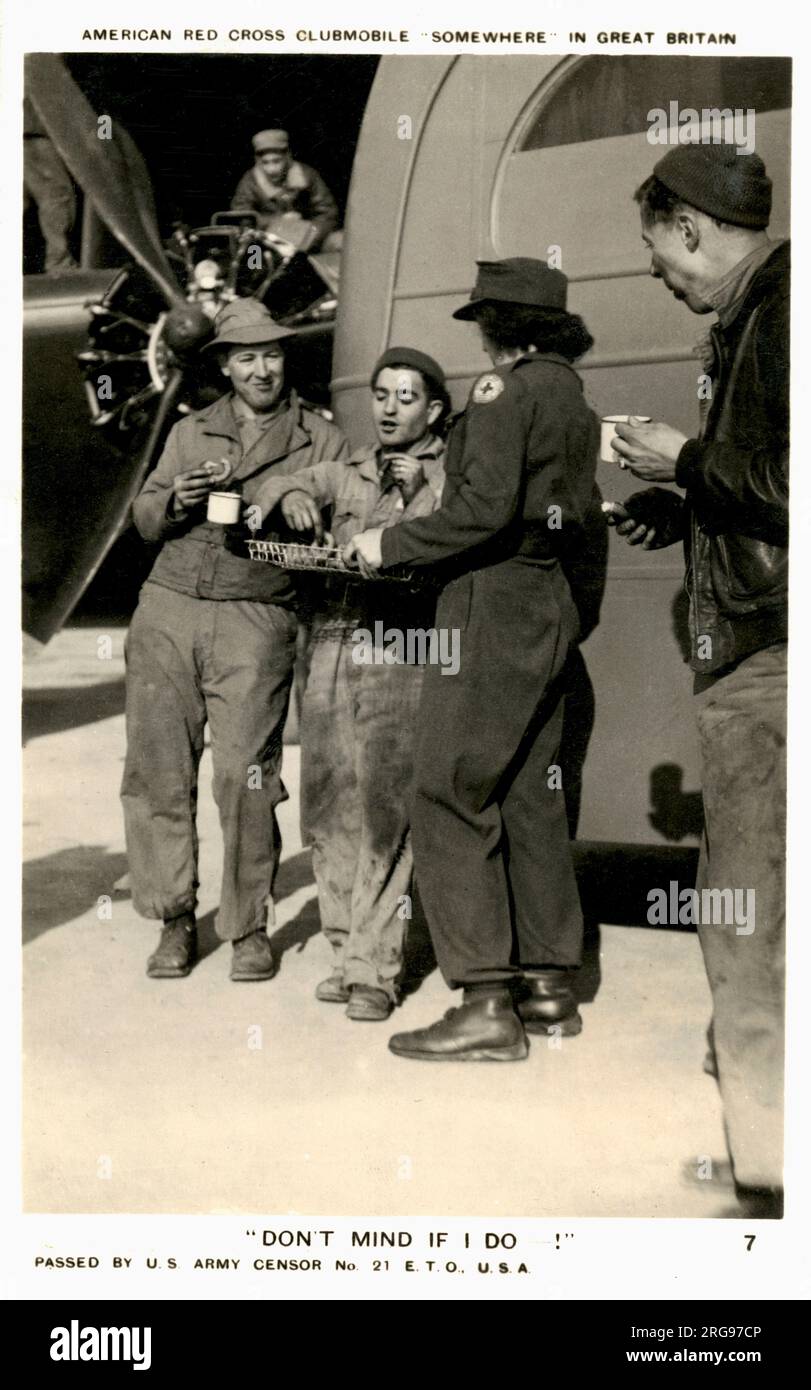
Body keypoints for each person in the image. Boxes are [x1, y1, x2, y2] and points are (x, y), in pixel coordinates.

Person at [346, 259, 602, 1060]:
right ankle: (549, 987)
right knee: (529, 793)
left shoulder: (503, 393)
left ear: (498, 327)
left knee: (447, 789)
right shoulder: (574, 400)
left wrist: (383, 543)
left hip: (490, 603)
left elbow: (481, 512)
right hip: (548, 602)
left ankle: (485, 1002)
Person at [608, 144, 788, 1218]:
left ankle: (764, 1169)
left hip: (766, 658)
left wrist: (681, 459)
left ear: (689, 229)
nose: (658, 276)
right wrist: (686, 504)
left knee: (742, 915)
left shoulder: (778, 310)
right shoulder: (762, 311)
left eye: (659, 253)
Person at [121, 298, 348, 982]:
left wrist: (296, 507)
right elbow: (143, 518)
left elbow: (338, 526)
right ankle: (172, 919)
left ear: (286, 359)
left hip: (256, 612)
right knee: (158, 768)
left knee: (246, 777)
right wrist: (177, 500)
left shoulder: (321, 439)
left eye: (272, 354)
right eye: (245, 356)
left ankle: (246, 925)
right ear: (224, 365)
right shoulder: (193, 431)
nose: (260, 369)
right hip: (169, 606)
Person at [250, 348, 450, 1021]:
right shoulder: (350, 468)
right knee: (328, 804)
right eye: (382, 395)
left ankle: (376, 967)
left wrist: (411, 490)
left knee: (385, 811)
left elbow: (444, 535)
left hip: (402, 645)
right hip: (331, 640)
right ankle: (343, 951)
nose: (391, 409)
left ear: (434, 410)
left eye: (406, 397)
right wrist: (298, 494)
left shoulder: (450, 477)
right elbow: (268, 488)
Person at [231, 128, 340, 253]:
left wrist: (308, 234)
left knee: (339, 242)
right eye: (265, 163)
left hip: (308, 241)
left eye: (276, 161)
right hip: (267, 243)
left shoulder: (307, 175)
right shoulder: (250, 181)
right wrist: (279, 222)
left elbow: (328, 213)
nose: (271, 169)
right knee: (253, 255)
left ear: (287, 157)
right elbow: (241, 218)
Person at [23, 95, 78, 274]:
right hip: (36, 131)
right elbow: (99, 108)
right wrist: (105, 139)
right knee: (56, 198)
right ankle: (60, 265)